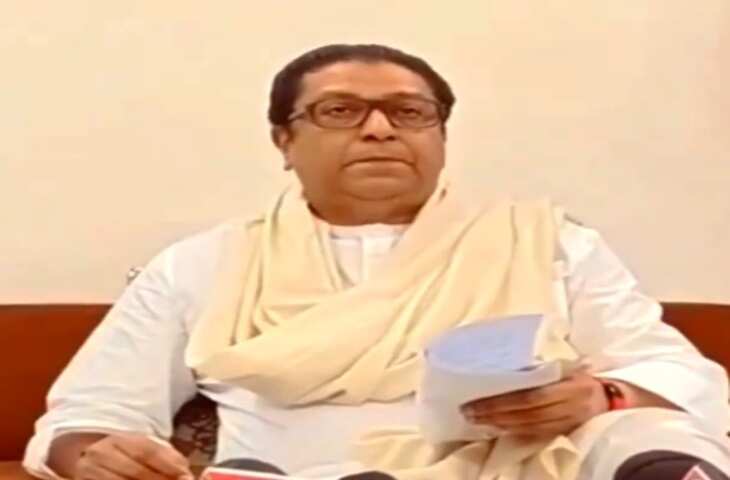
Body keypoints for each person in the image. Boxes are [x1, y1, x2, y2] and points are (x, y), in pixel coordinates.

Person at [24, 44, 730, 480]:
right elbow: (93, 411)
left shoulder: (548, 241)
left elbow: (675, 371)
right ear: (283, 141)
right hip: (295, 475)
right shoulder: (202, 263)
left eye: (410, 113)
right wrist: (95, 455)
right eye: (340, 111)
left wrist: (605, 396)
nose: (380, 129)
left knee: (646, 435)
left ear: (442, 136)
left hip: (523, 469)